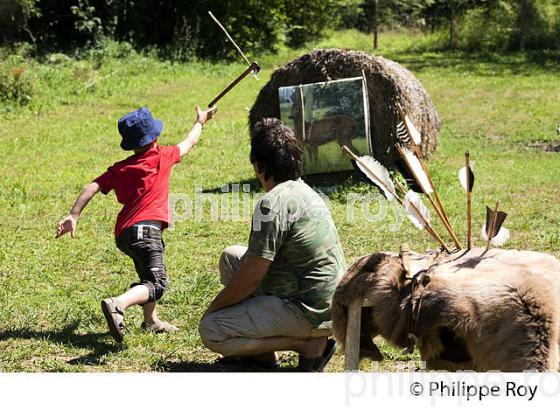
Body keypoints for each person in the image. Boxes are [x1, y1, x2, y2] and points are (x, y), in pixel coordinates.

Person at [56, 105, 216, 342]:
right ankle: (118, 303)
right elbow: (189, 142)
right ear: (155, 136)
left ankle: (151, 321)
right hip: (146, 230)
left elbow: (93, 186)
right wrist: (200, 121)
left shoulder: (121, 168)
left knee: (147, 274)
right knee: (158, 283)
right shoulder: (162, 155)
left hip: (125, 233)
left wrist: (74, 215)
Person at [199, 118, 346, 371]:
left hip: (309, 311)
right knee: (230, 257)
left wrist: (213, 309)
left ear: (258, 166)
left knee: (211, 329)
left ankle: (307, 345)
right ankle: (264, 357)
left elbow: (252, 277)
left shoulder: (271, 204)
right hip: (331, 304)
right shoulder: (305, 191)